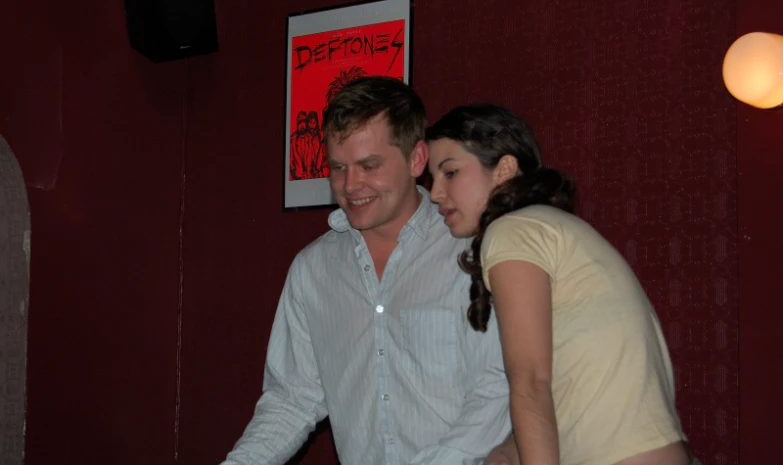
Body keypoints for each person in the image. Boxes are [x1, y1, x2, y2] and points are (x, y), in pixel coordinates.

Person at [222, 78, 512, 465]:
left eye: (369, 166)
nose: (350, 184)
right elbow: (292, 400)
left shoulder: (475, 250)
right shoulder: (313, 270)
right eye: (338, 167)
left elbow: (497, 391)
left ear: (416, 159)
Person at [426, 104, 695, 465]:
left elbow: (531, 382)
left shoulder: (513, 231)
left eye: (450, 173)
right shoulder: (548, 227)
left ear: (504, 169)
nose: (435, 193)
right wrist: (508, 451)